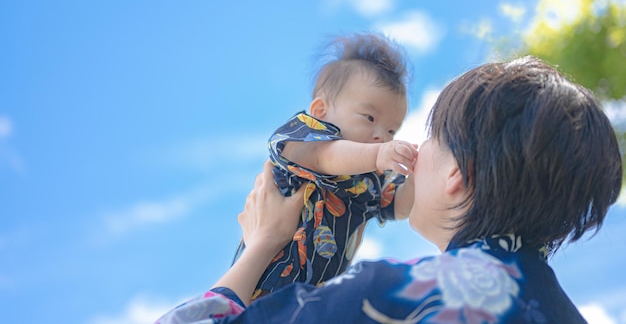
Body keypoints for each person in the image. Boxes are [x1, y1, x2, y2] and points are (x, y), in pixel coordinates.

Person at [155, 56, 623, 324]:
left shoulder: (391, 294)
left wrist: (260, 247)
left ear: (460, 173)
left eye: (430, 136)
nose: (412, 150)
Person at [232, 32, 418, 300]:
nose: (382, 136)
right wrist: (379, 154)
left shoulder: (374, 177)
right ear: (320, 111)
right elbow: (325, 157)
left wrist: (414, 177)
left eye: (391, 129)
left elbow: (399, 207)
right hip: (259, 290)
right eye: (369, 117)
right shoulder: (303, 137)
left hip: (313, 304)